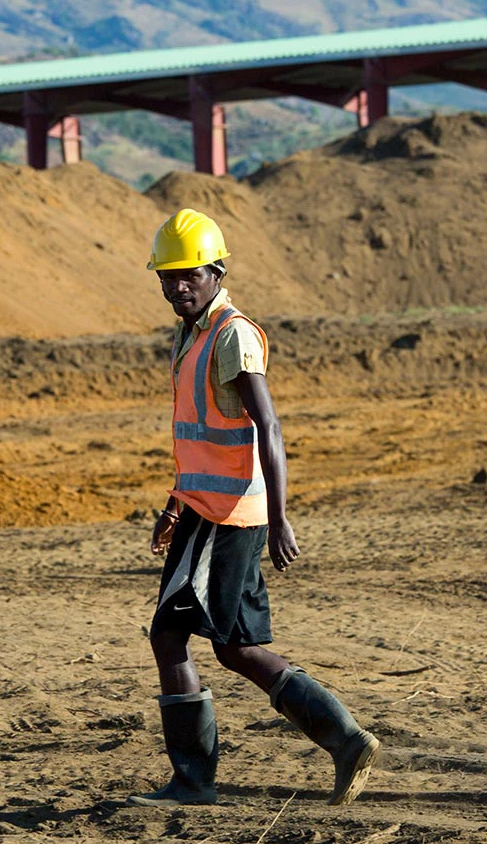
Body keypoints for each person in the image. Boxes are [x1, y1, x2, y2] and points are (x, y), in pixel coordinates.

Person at [126, 208, 380, 808]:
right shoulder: (192, 333)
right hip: (202, 508)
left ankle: (194, 781)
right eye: (167, 276)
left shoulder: (232, 333)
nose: (177, 286)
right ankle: (345, 740)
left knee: (170, 634)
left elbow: (267, 425)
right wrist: (174, 501)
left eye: (189, 275)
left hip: (227, 514)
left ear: (216, 271)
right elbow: (201, 432)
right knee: (233, 646)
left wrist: (282, 517)